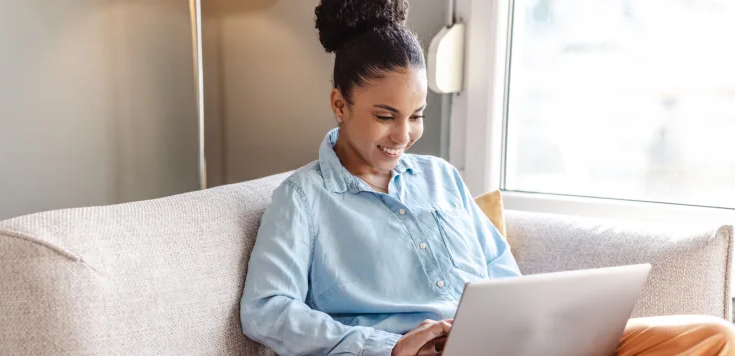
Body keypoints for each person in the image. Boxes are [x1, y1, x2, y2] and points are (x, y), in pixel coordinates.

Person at [240, 0, 735, 355]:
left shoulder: (440, 178)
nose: (405, 134)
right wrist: (386, 347)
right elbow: (266, 309)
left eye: (417, 115)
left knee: (712, 336)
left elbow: (501, 275)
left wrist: (543, 323)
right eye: (385, 115)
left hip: (510, 346)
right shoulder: (302, 199)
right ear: (339, 104)